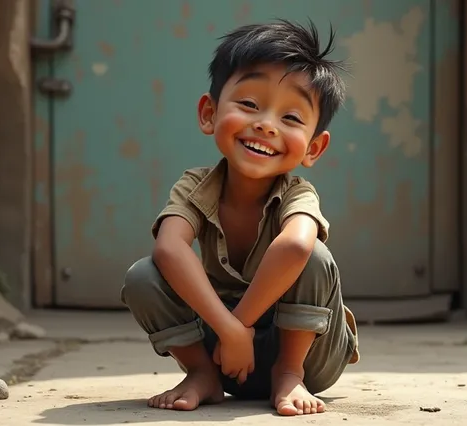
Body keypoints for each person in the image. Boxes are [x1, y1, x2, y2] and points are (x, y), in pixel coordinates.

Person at [120, 19, 359, 417]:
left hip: (311, 354)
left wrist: (239, 327)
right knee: (142, 275)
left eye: (292, 118)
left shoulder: (298, 193)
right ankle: (200, 375)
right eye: (249, 104)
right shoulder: (196, 187)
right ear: (209, 113)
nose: (265, 124)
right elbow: (169, 247)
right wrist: (229, 332)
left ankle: (288, 374)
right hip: (223, 357)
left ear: (314, 147)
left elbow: (297, 244)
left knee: (313, 254)